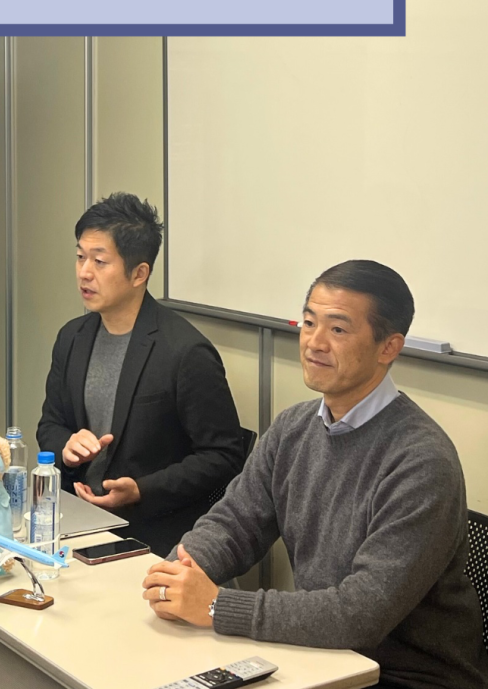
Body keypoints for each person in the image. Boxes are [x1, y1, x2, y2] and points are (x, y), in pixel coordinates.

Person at [142, 260, 488, 689]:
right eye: (308, 323)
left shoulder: (421, 461)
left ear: (388, 347)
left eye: (338, 329)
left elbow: (361, 614)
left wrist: (216, 607)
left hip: (406, 675)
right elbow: (235, 523)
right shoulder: (293, 427)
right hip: (320, 656)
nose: (314, 343)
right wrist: (180, 573)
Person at [37, 192, 244, 557]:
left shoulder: (185, 352)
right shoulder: (72, 337)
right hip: (76, 519)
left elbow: (223, 456)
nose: (84, 272)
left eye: (100, 261)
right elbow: (50, 424)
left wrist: (141, 490)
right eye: (81, 257)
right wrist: (66, 447)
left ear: (139, 273)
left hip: (151, 533)